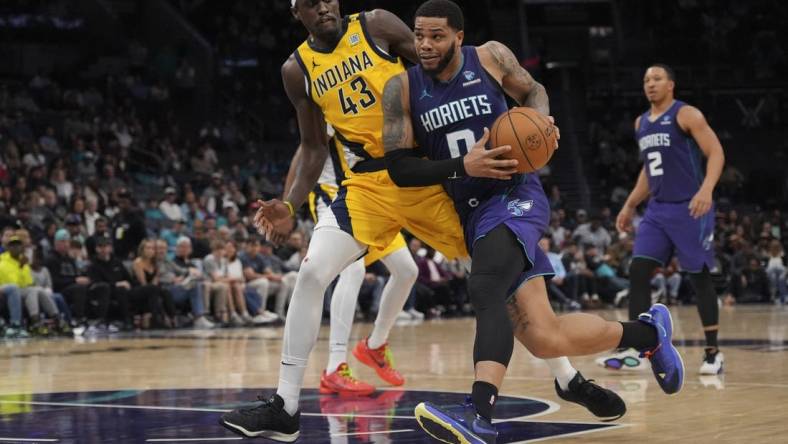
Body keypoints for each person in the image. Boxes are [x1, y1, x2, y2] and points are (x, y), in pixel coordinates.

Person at [221, 1, 627, 440]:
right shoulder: (296, 70)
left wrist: (490, 128)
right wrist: (290, 202)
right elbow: (314, 146)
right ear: (295, 10)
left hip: (429, 174)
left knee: (499, 283)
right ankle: (286, 406)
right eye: (312, 2)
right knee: (312, 273)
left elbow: (438, 72)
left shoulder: (376, 24)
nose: (324, 6)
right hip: (368, 185)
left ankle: (568, 378)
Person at [379, 2, 683, 442]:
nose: (425, 45)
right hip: (471, 210)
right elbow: (399, 169)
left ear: (459, 37)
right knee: (545, 338)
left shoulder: (490, 57)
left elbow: (534, 91)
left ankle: (479, 413)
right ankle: (648, 333)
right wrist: (464, 166)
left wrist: (540, 120)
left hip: (514, 196)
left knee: (485, 286)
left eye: (437, 36)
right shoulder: (402, 88)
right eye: (420, 35)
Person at [596, 64, 726, 376]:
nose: (650, 84)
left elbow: (717, 152)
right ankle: (638, 348)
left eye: (656, 79)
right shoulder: (641, 122)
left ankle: (713, 353)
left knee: (698, 277)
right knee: (638, 270)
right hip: (657, 210)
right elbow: (648, 170)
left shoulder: (687, 115)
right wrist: (629, 205)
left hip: (690, 207)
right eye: (646, 80)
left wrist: (706, 190)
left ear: (671, 84)